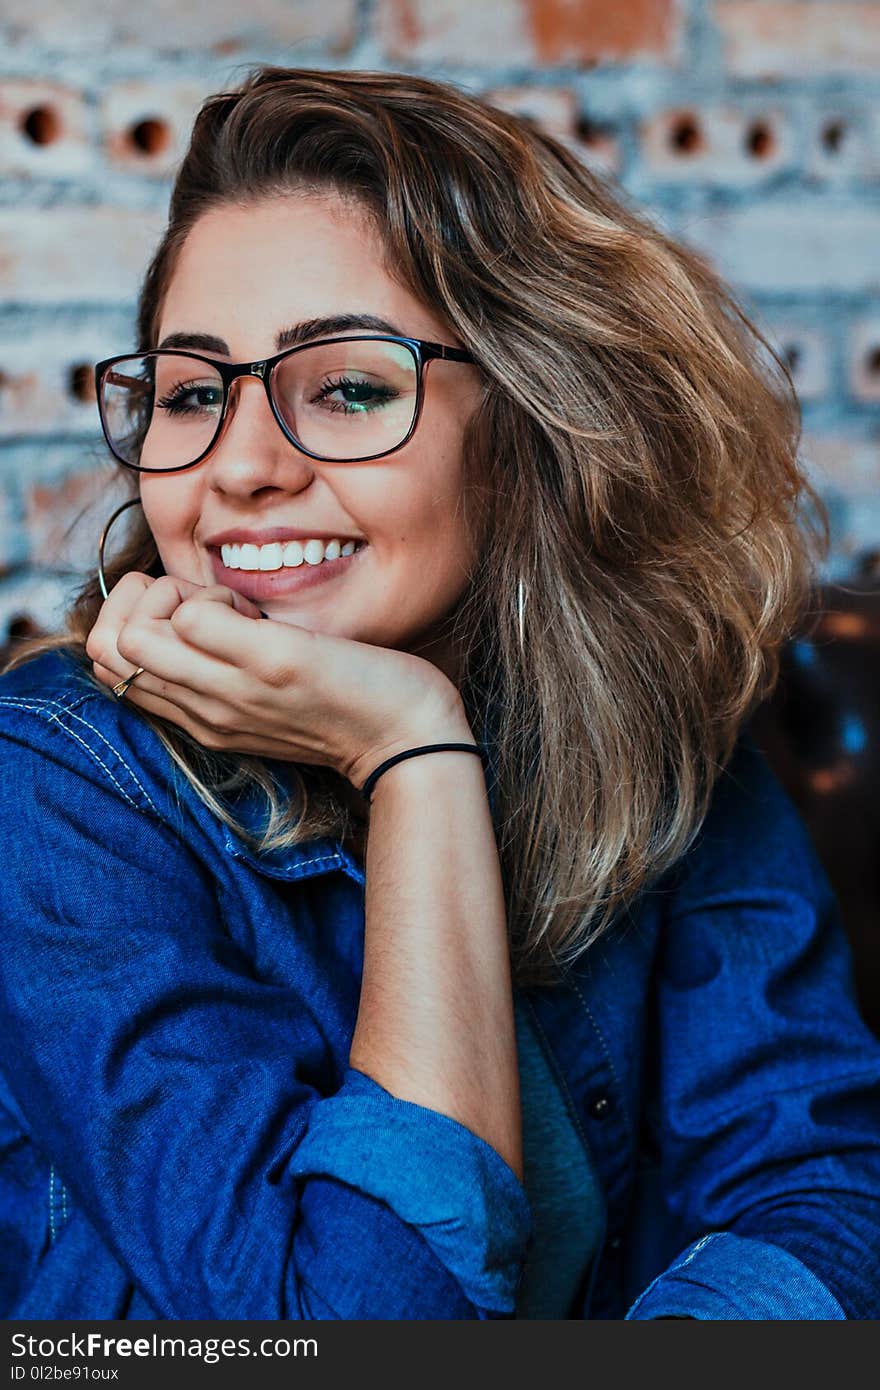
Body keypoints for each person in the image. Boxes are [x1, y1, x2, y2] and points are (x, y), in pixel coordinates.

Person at [1, 65, 878, 1323]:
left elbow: (821, 1185)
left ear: (528, 426)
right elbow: (357, 1327)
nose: (238, 465)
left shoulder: (659, 730)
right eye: (195, 392)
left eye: (349, 386)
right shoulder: (57, 785)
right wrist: (412, 751)